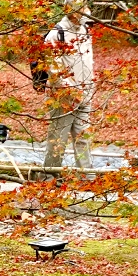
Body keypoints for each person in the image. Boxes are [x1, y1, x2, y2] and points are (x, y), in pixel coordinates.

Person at [41, 9, 95, 170]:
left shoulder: (85, 31)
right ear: (73, 13)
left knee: (83, 136)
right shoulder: (56, 34)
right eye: (82, 12)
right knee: (58, 139)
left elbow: (88, 62)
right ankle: (49, 176)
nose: (85, 16)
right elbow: (53, 70)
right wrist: (71, 90)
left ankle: (87, 177)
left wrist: (89, 87)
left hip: (85, 93)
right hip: (62, 96)